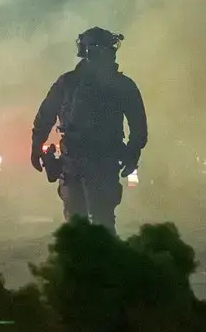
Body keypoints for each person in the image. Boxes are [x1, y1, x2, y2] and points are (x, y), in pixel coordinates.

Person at [30, 27, 148, 232]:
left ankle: (89, 261)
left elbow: (45, 117)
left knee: (82, 225)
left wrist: (36, 146)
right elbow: (139, 128)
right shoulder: (121, 84)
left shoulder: (68, 82)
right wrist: (132, 155)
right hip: (96, 162)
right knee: (97, 224)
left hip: (82, 162)